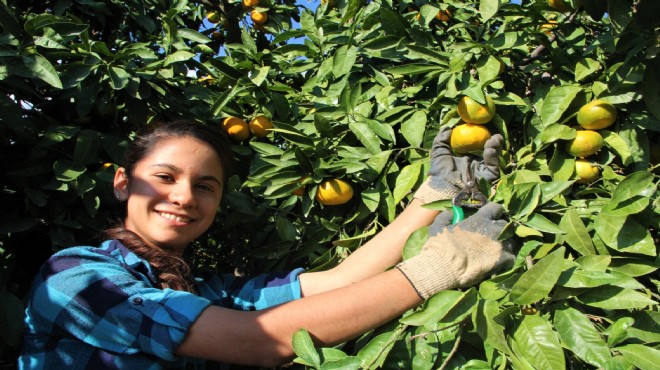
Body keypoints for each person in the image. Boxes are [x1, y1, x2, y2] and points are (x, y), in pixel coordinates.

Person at [18, 120, 513, 369]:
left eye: (205, 186)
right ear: (123, 183)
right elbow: (259, 339)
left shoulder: (203, 292)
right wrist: (437, 269)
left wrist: (435, 200)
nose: (184, 197)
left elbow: (339, 283)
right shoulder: (75, 278)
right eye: (164, 177)